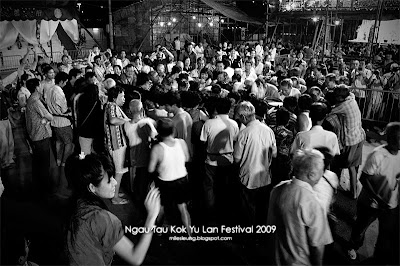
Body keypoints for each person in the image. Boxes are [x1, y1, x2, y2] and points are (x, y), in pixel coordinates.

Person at [65, 153, 160, 265]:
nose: (115, 182)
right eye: (109, 180)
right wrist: (151, 216)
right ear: (92, 187)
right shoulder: (101, 218)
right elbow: (136, 258)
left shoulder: (75, 204)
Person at [267, 149, 333, 265]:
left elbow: (270, 226)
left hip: (276, 258)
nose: (323, 173)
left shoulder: (277, 188)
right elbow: (317, 246)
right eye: (322, 170)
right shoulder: (313, 203)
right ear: (312, 174)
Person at [347, 122, 400, 264]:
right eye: (395, 137)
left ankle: (379, 256)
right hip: (370, 203)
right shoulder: (377, 155)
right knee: (360, 228)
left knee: (386, 234)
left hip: (390, 205)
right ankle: (353, 246)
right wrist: (378, 198)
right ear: (389, 138)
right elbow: (364, 178)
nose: (397, 141)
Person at [234, 101, 277, 226]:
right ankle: (261, 233)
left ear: (243, 117)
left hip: (248, 178)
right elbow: (274, 154)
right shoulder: (268, 130)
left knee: (248, 211)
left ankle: (249, 236)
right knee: (262, 209)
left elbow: (237, 159)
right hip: (264, 177)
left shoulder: (244, 133)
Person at [148, 118, 192, 236]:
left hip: (165, 182)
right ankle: (190, 234)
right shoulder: (181, 142)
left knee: (161, 207)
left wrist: (161, 166)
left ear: (158, 132)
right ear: (173, 130)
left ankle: (158, 232)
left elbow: (151, 169)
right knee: (183, 208)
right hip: (182, 179)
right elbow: (187, 158)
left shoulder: (157, 148)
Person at [124, 100, 157, 203]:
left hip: (132, 153)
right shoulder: (146, 123)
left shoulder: (126, 124)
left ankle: (134, 195)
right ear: (142, 109)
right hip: (143, 153)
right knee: (142, 179)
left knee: (134, 177)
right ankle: (141, 200)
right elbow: (154, 135)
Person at [25, 78, 54, 198]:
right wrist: (47, 118)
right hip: (40, 136)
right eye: (40, 85)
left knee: (38, 164)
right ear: (37, 87)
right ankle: (45, 191)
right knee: (43, 165)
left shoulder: (31, 100)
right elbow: (50, 116)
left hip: (35, 136)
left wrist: (44, 119)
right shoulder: (36, 101)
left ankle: (38, 188)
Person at [104, 86, 130, 205]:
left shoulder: (110, 105)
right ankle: (115, 198)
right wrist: (128, 121)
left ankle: (115, 192)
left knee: (117, 170)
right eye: (122, 96)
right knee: (119, 172)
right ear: (114, 98)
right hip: (117, 144)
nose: (124, 98)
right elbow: (113, 121)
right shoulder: (112, 106)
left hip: (114, 143)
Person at [45, 72, 73, 167]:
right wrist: (69, 111)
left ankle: (58, 160)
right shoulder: (59, 91)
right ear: (61, 81)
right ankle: (64, 163)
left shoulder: (49, 89)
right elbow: (64, 109)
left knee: (59, 142)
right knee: (68, 143)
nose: (65, 84)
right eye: (65, 82)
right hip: (63, 122)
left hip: (54, 121)